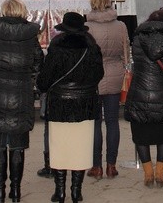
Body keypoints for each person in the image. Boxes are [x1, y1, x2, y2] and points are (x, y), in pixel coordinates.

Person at [0, 0, 44, 203]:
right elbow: (38, 61)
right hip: (20, 90)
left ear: (4, 11)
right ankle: (15, 190)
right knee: (17, 145)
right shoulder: (30, 35)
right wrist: (25, 73)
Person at [37, 12, 104, 203]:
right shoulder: (91, 46)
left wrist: (44, 86)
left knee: (59, 148)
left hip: (60, 103)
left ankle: (60, 192)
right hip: (84, 104)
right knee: (80, 148)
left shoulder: (57, 46)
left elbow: (45, 79)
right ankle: (76, 191)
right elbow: (99, 73)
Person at [124, 9, 163, 188]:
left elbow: (136, 64)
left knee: (141, 135)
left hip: (139, 92)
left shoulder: (137, 40)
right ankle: (160, 174)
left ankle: (148, 174)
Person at [85, 0, 129, 180]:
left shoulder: (87, 26)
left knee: (95, 123)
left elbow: (85, 54)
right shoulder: (120, 25)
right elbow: (126, 51)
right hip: (115, 73)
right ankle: (111, 165)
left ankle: (96, 166)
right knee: (112, 121)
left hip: (93, 77)